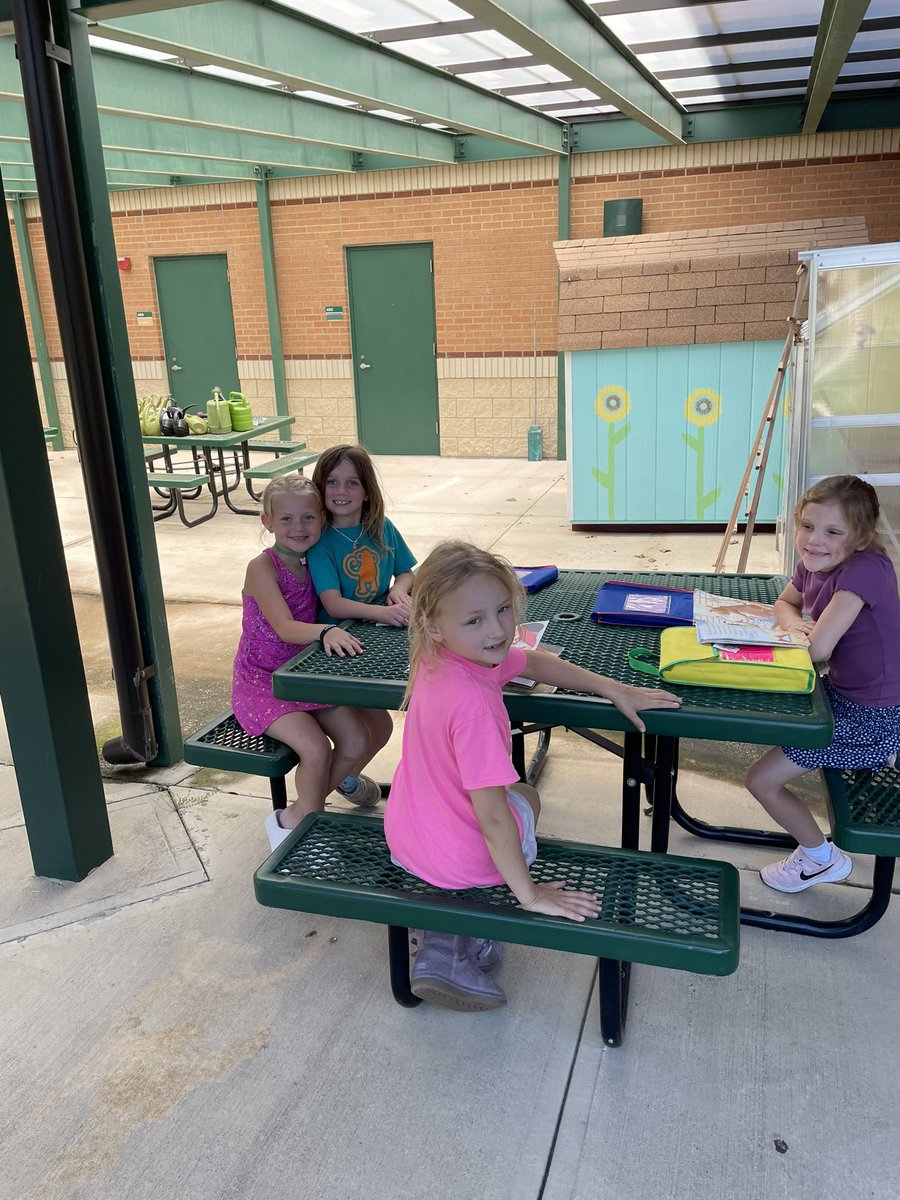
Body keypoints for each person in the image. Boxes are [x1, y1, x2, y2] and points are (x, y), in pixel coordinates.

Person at [383, 541, 683, 1012]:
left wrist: (613, 687)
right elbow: (494, 819)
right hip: (462, 860)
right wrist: (529, 894)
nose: (500, 629)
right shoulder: (476, 708)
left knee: (485, 800)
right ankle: (462, 934)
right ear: (433, 625)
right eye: (476, 619)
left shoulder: (434, 657)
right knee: (526, 797)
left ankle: (446, 934)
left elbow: (529, 659)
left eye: (504, 610)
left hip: (407, 839)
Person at [746, 475, 900, 893]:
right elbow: (785, 602)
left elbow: (817, 651)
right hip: (842, 695)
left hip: (874, 715)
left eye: (833, 532)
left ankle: (820, 858)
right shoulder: (816, 560)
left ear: (862, 537)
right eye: (808, 526)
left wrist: (796, 634)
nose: (814, 541)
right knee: (769, 719)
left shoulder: (865, 570)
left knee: (761, 780)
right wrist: (795, 626)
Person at [231, 476, 391, 851]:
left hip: (305, 676)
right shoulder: (262, 567)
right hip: (264, 683)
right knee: (316, 749)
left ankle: (305, 809)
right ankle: (304, 829)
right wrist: (323, 632)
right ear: (266, 521)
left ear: (322, 519)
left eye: (307, 518)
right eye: (286, 519)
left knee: (364, 733)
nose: (298, 528)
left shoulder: (316, 560)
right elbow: (285, 627)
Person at [307, 444, 416, 805]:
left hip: (373, 643)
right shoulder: (321, 542)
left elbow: (406, 571)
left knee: (382, 728)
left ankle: (346, 777)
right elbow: (332, 603)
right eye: (333, 482)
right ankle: (310, 801)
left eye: (352, 483)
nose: (341, 491)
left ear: (367, 491)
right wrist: (383, 612)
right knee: (360, 733)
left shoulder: (381, 528)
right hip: (333, 651)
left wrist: (399, 592)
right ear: (320, 488)